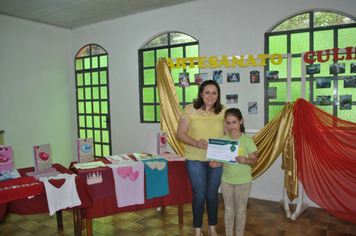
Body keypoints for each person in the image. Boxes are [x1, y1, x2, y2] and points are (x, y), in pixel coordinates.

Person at [177, 80, 228, 236]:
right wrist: (196, 143)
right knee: (199, 195)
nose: (210, 96)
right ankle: (197, 229)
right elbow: (180, 133)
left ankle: (212, 228)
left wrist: (222, 158)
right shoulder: (189, 109)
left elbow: (228, 136)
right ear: (201, 94)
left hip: (216, 161)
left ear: (218, 95)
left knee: (212, 195)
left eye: (214, 92)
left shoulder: (224, 111)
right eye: (207, 92)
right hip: (194, 158)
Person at [210, 108, 258, 236]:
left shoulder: (247, 141)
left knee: (241, 211)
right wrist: (215, 164)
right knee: (229, 210)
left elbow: (254, 161)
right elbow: (222, 161)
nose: (231, 126)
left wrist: (246, 160)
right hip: (226, 181)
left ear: (241, 121)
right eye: (228, 123)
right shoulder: (223, 139)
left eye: (234, 122)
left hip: (243, 182)